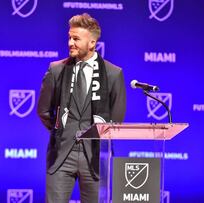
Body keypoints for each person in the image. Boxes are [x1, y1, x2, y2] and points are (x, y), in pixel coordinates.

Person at [37, 13, 126, 202]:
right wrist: (62, 130)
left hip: (95, 156)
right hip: (61, 154)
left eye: (76, 39)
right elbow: (43, 111)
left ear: (92, 43)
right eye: (69, 37)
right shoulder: (56, 70)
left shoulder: (113, 74)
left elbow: (116, 120)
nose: (70, 42)